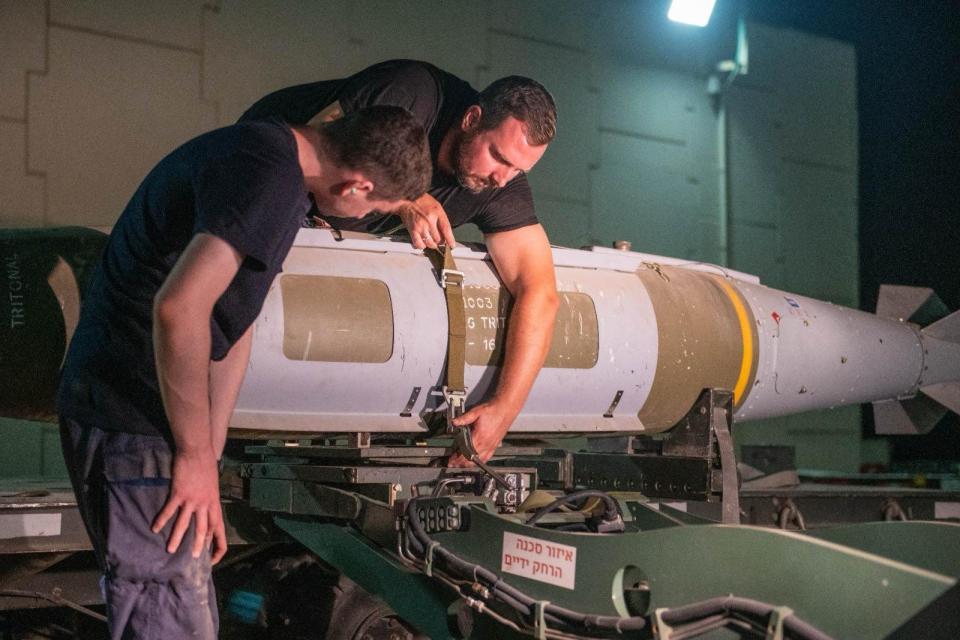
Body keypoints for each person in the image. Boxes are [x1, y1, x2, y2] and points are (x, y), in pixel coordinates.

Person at [56, 106, 431, 639]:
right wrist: (192, 453)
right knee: (169, 617)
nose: (364, 218)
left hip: (149, 417)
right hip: (133, 416)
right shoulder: (266, 178)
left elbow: (233, 318)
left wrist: (208, 450)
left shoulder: (275, 166)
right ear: (355, 185)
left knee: (186, 611)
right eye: (377, 208)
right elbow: (180, 309)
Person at [242, 60, 561, 465]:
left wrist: (504, 410)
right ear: (472, 118)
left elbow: (540, 291)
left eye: (518, 169)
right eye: (499, 156)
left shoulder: (500, 184)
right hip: (253, 181)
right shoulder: (408, 94)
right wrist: (406, 197)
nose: (503, 178)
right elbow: (308, 156)